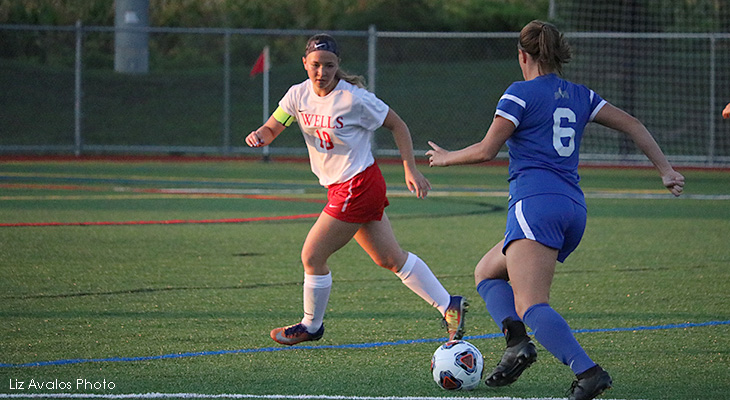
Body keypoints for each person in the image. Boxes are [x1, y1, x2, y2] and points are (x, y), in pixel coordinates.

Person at [426, 20, 685, 400]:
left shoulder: (519, 93)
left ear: (523, 55)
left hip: (535, 205)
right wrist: (666, 169)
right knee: (487, 272)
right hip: (572, 208)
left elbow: (486, 149)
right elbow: (632, 124)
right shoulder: (581, 94)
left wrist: (447, 158)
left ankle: (588, 372)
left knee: (531, 304)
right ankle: (517, 344)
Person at [245, 34, 467, 346]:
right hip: (345, 187)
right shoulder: (297, 95)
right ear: (304, 64)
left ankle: (311, 325)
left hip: (357, 185)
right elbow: (274, 126)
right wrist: (261, 135)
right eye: (315, 65)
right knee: (390, 259)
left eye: (329, 65)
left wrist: (409, 167)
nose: (321, 72)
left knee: (312, 254)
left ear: (338, 66)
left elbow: (398, 125)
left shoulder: (354, 99)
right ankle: (450, 306)